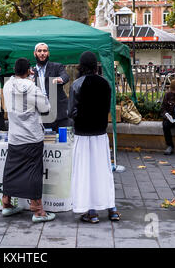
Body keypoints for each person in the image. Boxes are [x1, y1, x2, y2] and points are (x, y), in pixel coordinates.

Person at [68, 51, 120, 223]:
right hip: (100, 132)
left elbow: (71, 111)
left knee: (84, 172)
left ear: (81, 66)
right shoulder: (106, 83)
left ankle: (90, 210)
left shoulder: (76, 84)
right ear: (96, 65)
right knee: (103, 171)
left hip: (83, 133)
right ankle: (111, 208)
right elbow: (106, 108)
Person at [2, 57, 55, 223]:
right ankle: (37, 209)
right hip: (31, 136)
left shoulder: (7, 85)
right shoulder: (31, 87)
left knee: (11, 169)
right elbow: (46, 108)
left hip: (14, 136)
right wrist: (34, 83)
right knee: (33, 171)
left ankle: (7, 203)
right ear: (28, 71)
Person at [32, 42, 70, 132]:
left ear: (48, 53)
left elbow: (65, 76)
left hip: (59, 114)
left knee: (63, 141)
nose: (42, 53)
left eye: (45, 51)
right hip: (42, 114)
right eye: (39, 51)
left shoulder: (56, 66)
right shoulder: (32, 72)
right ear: (35, 53)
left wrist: (60, 79)